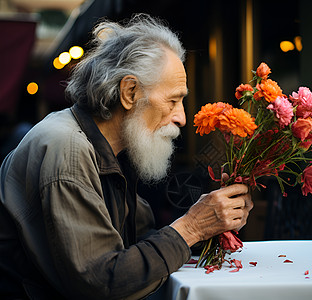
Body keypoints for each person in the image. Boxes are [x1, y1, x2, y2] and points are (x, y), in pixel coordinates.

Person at [0, 14, 253, 299]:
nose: (182, 117)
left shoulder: (108, 147)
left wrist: (211, 223)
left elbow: (138, 243)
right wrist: (192, 227)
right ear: (129, 92)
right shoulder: (68, 149)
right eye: (173, 100)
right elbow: (101, 283)